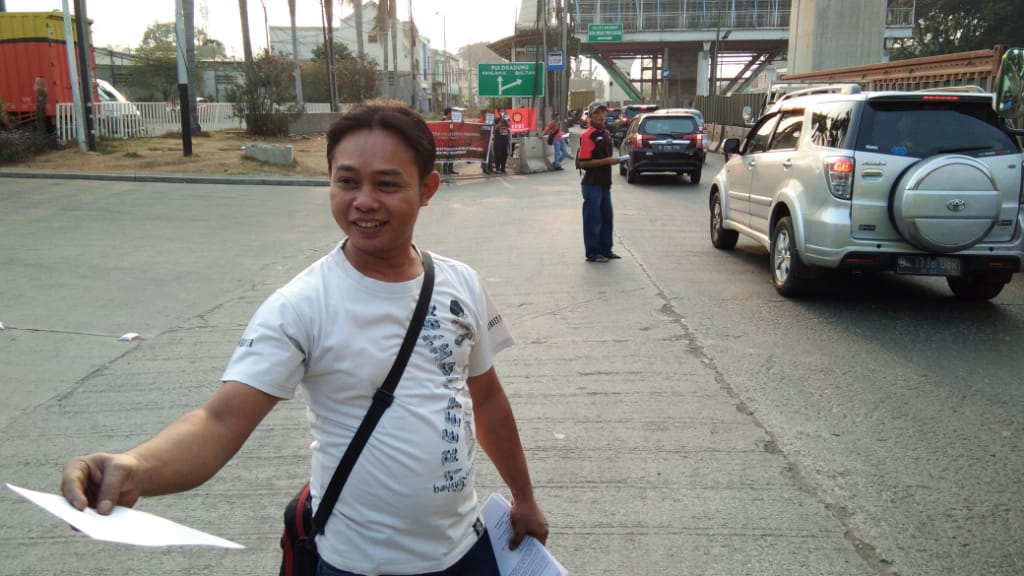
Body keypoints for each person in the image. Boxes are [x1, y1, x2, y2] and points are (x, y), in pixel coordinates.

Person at [60, 101, 550, 576]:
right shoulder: (301, 305)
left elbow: (486, 400)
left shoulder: (461, 283)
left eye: (386, 184)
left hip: (467, 551)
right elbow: (220, 420)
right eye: (347, 181)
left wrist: (523, 497)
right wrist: (136, 466)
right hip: (360, 565)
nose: (364, 201)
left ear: (428, 188)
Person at [577, 101, 626, 263]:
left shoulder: (605, 133)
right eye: (597, 113)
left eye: (603, 112)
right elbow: (583, 163)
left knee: (607, 218)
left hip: (604, 183)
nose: (601, 116)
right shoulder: (588, 135)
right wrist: (608, 161)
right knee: (593, 220)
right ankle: (593, 253)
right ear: (590, 116)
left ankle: (606, 250)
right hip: (592, 184)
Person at [441, 106, 458, 175]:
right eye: (451, 112)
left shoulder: (453, 120)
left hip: (452, 139)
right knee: (446, 155)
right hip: (446, 140)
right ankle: (445, 170)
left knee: (452, 155)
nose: (452, 113)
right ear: (448, 113)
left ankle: (450, 169)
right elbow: (442, 129)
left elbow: (455, 127)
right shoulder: (443, 120)